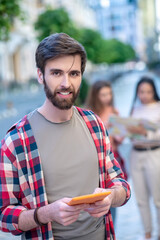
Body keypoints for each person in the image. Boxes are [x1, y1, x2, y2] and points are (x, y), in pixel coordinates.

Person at [0, 33, 130, 240]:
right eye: (56, 73)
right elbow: (4, 216)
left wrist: (111, 197)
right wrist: (45, 214)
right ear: (41, 75)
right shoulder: (16, 140)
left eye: (74, 73)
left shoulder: (94, 123)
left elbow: (120, 182)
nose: (66, 83)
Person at [86, 80, 128, 223]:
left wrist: (118, 131)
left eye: (109, 93)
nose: (107, 97)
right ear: (95, 96)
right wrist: (104, 127)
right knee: (94, 200)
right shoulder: (89, 114)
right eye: (103, 94)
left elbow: (120, 139)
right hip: (95, 162)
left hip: (113, 158)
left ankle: (112, 230)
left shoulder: (115, 112)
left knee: (112, 198)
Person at [128, 76, 160, 240]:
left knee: (158, 199)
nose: (145, 95)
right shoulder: (135, 108)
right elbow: (130, 134)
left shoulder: (158, 108)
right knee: (140, 199)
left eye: (148, 91)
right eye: (141, 92)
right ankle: (147, 234)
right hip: (135, 154)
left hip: (154, 154)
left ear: (154, 91)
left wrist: (145, 132)